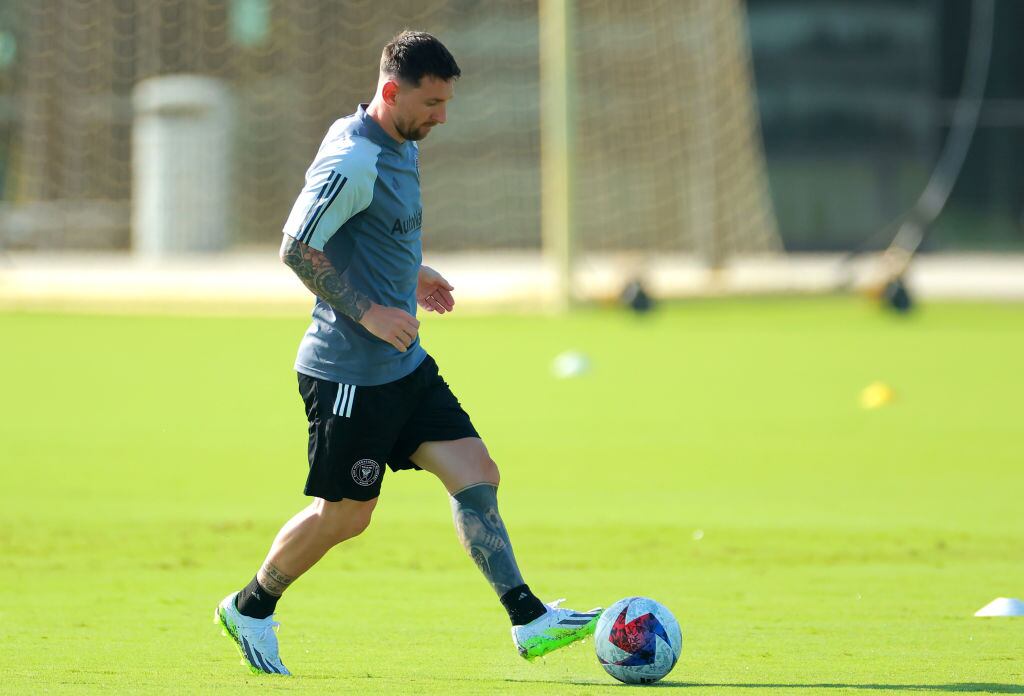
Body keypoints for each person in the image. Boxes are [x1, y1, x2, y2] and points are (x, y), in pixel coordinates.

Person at [214, 30, 600, 676]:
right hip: (348, 373)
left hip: (403, 364)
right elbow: (296, 248)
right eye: (432, 103)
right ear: (391, 92)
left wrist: (412, 273)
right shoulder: (351, 160)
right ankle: (250, 607)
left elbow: (366, 232)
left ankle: (528, 619)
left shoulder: (399, 139)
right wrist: (369, 309)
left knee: (476, 472)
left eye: (447, 103)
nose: (442, 117)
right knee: (346, 517)